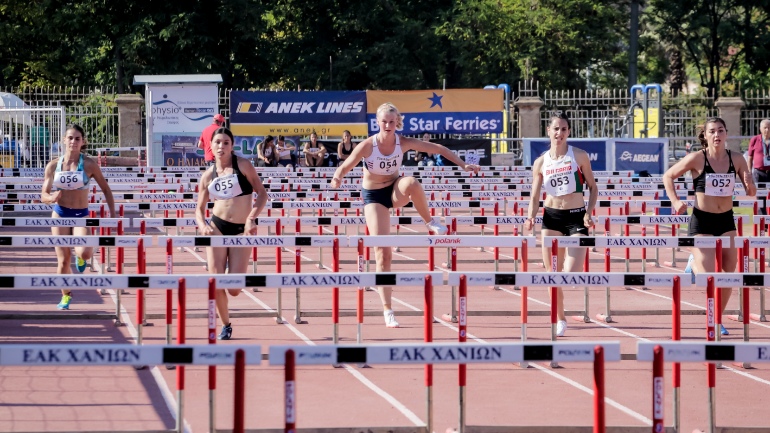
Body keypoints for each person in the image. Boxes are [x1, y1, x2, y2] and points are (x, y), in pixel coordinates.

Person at [331, 102, 480, 327]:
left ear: (397, 122)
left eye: (392, 122)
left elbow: (438, 148)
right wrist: (337, 179)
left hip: (394, 190)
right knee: (383, 253)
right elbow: (345, 166)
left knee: (412, 182)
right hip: (374, 197)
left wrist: (462, 165)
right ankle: (388, 309)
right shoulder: (368, 145)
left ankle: (430, 221)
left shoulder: (404, 142)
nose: (388, 125)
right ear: (378, 123)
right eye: (384, 122)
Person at [663, 117, 756, 336]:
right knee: (709, 275)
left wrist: (750, 184)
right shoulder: (697, 158)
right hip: (702, 221)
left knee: (728, 275)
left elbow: (751, 193)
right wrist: (675, 201)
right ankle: (694, 262)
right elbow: (668, 176)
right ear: (705, 135)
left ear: (726, 134)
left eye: (720, 130)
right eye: (712, 131)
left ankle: (717, 319)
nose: (717, 135)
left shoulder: (737, 159)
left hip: (726, 220)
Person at [524, 113, 598, 337]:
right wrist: (530, 217)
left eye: (564, 129)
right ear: (549, 131)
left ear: (569, 132)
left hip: (576, 217)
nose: (559, 133)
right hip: (552, 217)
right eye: (556, 129)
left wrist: (588, 212)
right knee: (551, 273)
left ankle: (562, 304)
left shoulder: (579, 156)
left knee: (571, 273)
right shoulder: (540, 162)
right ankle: (559, 318)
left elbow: (593, 188)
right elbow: (535, 196)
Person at [195, 126, 268, 340]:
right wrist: (202, 225)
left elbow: (262, 194)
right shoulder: (208, 176)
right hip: (217, 227)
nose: (221, 146)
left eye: (226, 142)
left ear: (231, 145)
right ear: (211, 145)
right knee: (215, 281)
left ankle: (228, 271)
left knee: (234, 289)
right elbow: (199, 210)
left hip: (240, 230)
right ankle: (226, 324)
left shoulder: (243, 165)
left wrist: (251, 218)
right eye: (217, 142)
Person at [40, 124, 115, 310]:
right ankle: (66, 295)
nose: (73, 142)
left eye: (77, 138)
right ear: (64, 140)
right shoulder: (53, 165)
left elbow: (106, 189)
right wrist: (51, 197)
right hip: (60, 213)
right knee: (63, 260)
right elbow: (43, 194)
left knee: (85, 253)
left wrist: (113, 215)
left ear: (83, 142)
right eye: (70, 138)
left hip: (81, 214)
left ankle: (81, 258)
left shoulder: (89, 164)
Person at [747, 119, 770, 189]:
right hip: (758, 172)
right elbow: (750, 157)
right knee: (760, 194)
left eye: (769, 128)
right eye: (765, 128)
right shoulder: (755, 139)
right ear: (760, 129)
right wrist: (749, 171)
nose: (767, 130)